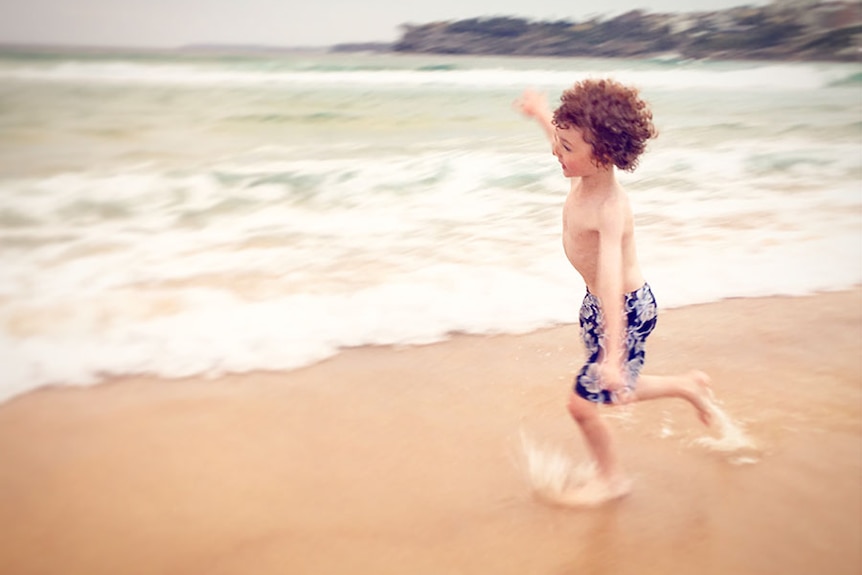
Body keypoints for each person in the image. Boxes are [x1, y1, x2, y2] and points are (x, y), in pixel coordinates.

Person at [515, 79, 715, 504]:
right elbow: (561, 133)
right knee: (615, 388)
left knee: (583, 404)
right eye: (559, 141)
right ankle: (688, 387)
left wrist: (613, 354)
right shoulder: (584, 174)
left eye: (567, 148)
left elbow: (609, 279)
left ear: (602, 155)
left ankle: (612, 479)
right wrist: (539, 113)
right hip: (595, 305)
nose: (556, 151)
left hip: (622, 309)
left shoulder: (610, 209)